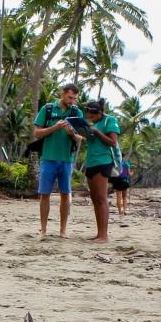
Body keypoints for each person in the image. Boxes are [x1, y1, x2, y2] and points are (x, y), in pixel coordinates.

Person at [32, 84, 82, 237]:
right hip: (48, 158)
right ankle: (44, 230)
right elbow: (37, 133)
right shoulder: (47, 109)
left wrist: (72, 133)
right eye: (69, 97)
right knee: (44, 194)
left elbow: (81, 138)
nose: (72, 101)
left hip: (67, 159)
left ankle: (63, 230)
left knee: (65, 194)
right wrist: (55, 127)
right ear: (62, 94)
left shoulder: (76, 112)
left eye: (74, 98)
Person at [79, 98, 122, 242]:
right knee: (94, 198)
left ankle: (104, 235)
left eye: (92, 116)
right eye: (88, 117)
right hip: (90, 162)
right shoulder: (93, 123)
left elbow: (112, 142)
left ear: (100, 113)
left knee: (102, 198)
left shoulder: (109, 121)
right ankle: (99, 233)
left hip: (103, 162)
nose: (90, 119)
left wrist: (97, 132)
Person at [111, 149, 132, 215]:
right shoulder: (126, 164)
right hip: (124, 181)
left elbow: (113, 173)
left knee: (118, 197)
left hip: (117, 181)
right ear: (123, 157)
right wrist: (132, 173)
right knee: (124, 197)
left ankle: (120, 212)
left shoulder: (115, 164)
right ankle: (125, 210)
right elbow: (129, 174)